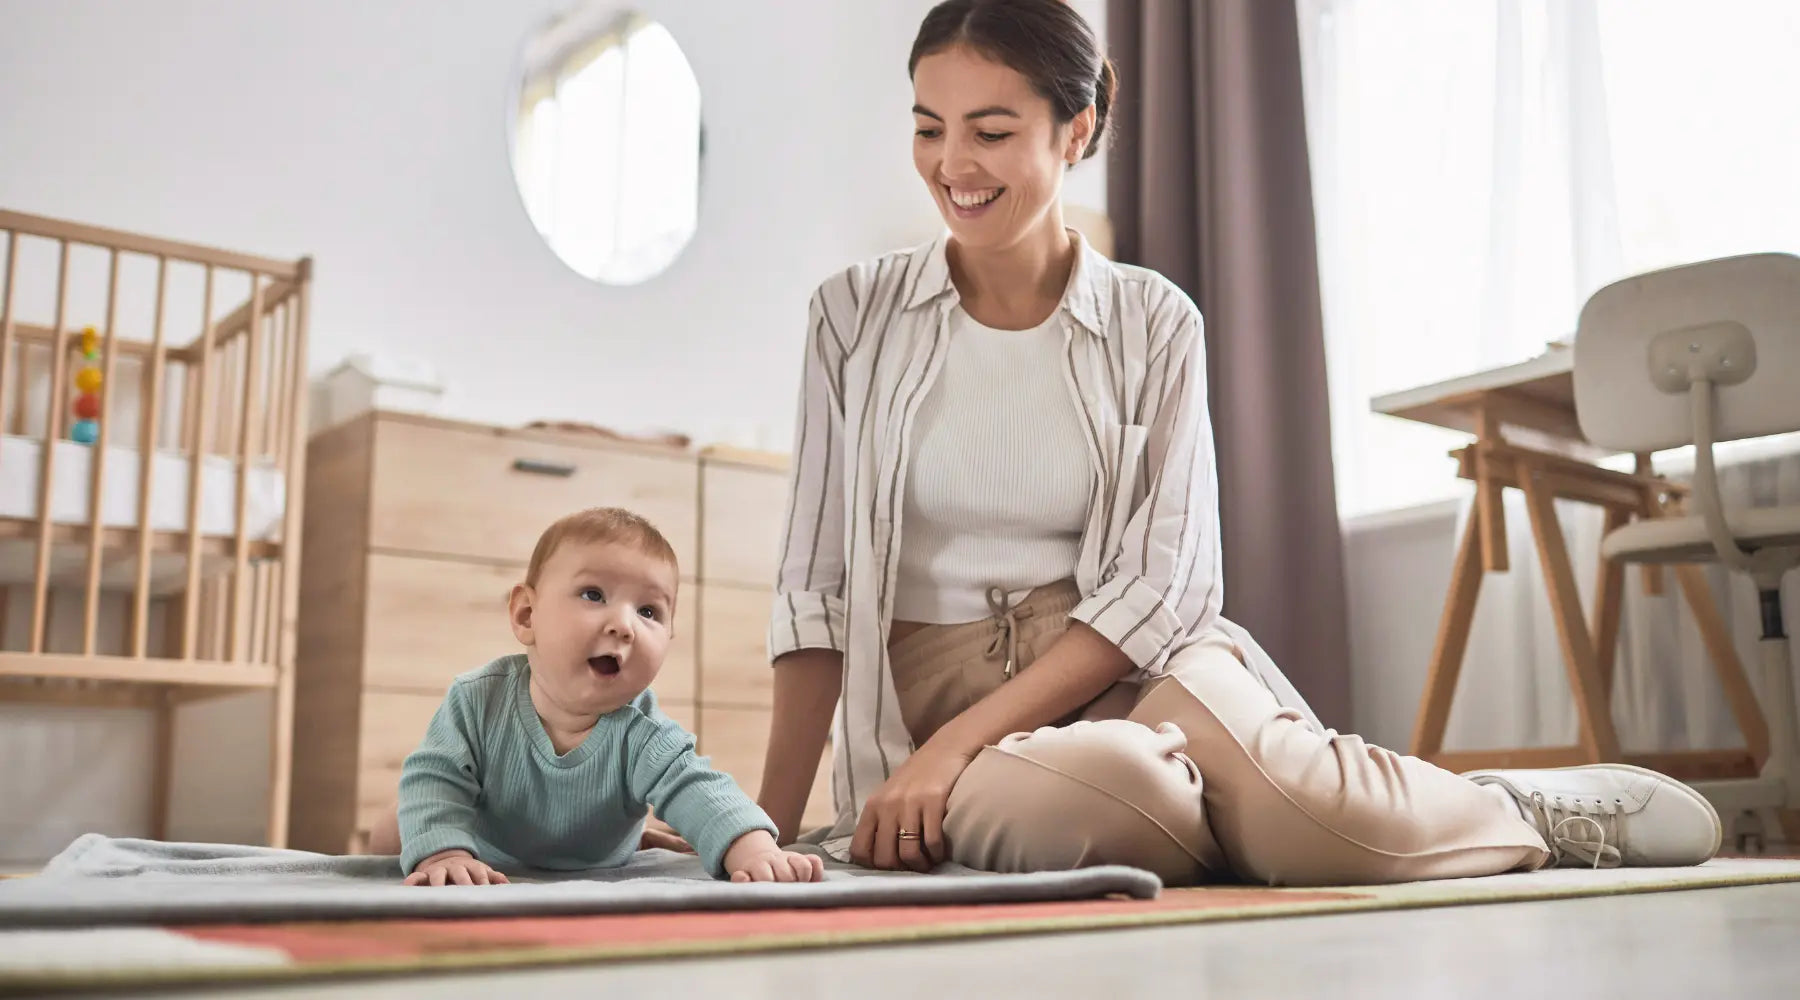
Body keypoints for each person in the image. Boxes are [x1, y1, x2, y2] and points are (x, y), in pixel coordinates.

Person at [753, 0, 1721, 886]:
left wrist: (950, 750)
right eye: (929, 127)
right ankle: (1250, 811)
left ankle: (1507, 807)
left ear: (1077, 130)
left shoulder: (1155, 321)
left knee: (1309, 816)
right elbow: (817, 589)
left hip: (1133, 665)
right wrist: (766, 821)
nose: (952, 165)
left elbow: (1165, 586)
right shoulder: (853, 316)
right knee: (1092, 806)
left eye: (991, 131)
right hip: (943, 689)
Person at [389, 507, 824, 886]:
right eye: (593, 595)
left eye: (648, 611)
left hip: (594, 857)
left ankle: (633, 836)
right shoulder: (477, 700)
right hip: (490, 851)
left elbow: (700, 789)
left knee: (686, 821)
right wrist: (444, 854)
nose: (624, 625)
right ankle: (425, 836)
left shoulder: (644, 732)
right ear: (526, 615)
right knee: (395, 832)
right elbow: (436, 777)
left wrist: (756, 850)